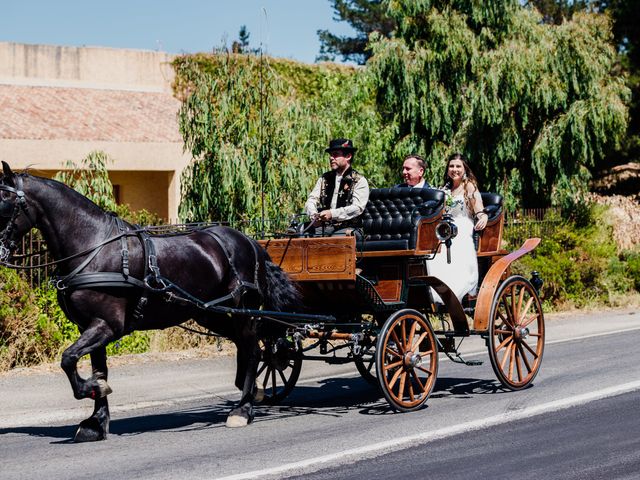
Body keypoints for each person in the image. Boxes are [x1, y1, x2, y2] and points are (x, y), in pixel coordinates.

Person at [428, 153, 488, 303]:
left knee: (456, 242)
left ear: (465, 169)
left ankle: (456, 289)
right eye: (451, 166)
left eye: (458, 166)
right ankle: (435, 289)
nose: (454, 169)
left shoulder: (469, 186)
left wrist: (483, 216)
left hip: (462, 224)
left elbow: (478, 206)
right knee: (432, 249)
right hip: (445, 226)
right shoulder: (445, 188)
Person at [304, 138, 370, 236]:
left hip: (349, 228)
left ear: (348, 156)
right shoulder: (324, 178)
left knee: (334, 241)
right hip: (325, 227)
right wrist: (313, 214)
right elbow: (311, 199)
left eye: (335, 154)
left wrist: (332, 214)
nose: (331, 158)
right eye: (330, 155)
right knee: (298, 233)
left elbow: (357, 208)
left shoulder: (359, 180)